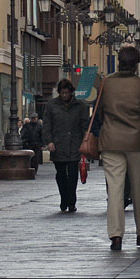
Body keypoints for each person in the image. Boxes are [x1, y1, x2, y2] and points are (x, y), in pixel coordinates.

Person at [98, 45, 140, 251]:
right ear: (137, 64)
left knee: (115, 189)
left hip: (111, 140)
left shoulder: (106, 84)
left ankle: (115, 235)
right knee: (139, 188)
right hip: (136, 141)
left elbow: (100, 110)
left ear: (119, 61)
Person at [43, 79, 89, 213]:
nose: (64, 95)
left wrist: (84, 141)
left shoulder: (80, 106)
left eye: (66, 93)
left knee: (73, 174)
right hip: (58, 144)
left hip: (75, 144)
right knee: (61, 174)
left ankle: (71, 201)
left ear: (71, 92)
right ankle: (64, 198)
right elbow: (47, 125)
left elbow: (84, 125)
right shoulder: (52, 105)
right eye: (62, 93)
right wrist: (49, 141)